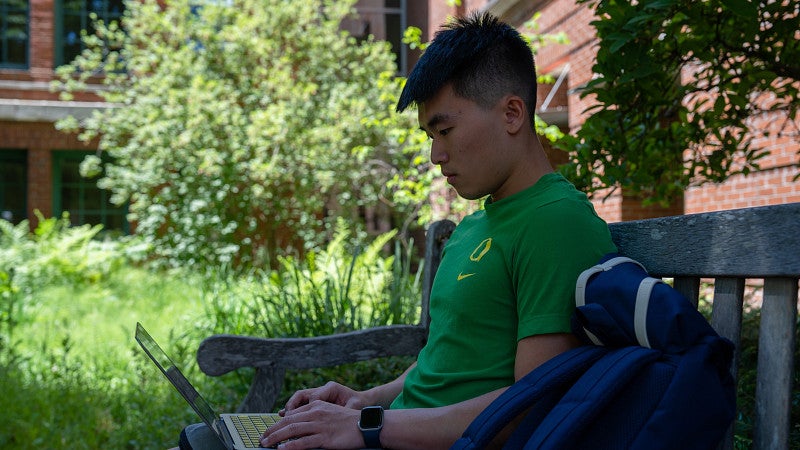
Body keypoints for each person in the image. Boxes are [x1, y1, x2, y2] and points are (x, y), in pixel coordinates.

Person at [177, 11, 616, 450]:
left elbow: (532, 407)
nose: (435, 155)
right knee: (202, 441)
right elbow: (442, 365)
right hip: (391, 435)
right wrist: (362, 403)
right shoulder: (474, 227)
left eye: (444, 130)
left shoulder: (555, 221)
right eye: (429, 134)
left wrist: (367, 429)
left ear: (512, 113)